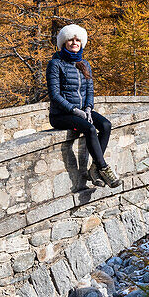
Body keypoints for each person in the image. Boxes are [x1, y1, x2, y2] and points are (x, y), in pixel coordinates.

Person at [46, 24, 121, 187]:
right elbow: (55, 95)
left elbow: (89, 91)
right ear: (64, 43)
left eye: (77, 40)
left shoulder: (84, 64)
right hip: (61, 115)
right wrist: (74, 110)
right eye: (71, 40)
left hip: (81, 110)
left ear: (82, 43)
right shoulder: (55, 64)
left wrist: (88, 108)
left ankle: (94, 168)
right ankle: (104, 168)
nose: (74, 42)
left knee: (106, 125)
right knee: (90, 129)